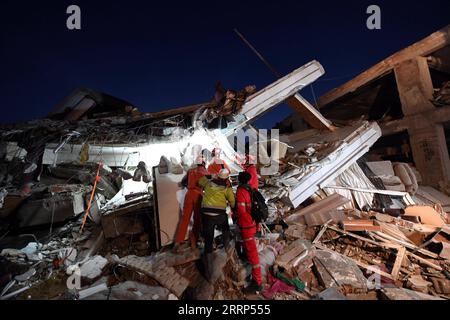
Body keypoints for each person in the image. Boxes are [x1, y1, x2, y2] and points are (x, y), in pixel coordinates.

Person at [198, 168, 235, 280]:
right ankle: (227, 247)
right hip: (219, 215)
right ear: (227, 178)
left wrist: (210, 176)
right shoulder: (226, 188)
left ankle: (209, 272)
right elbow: (232, 202)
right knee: (225, 227)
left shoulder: (208, 183)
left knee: (208, 240)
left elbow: (200, 182)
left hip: (206, 215)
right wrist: (231, 205)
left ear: (217, 176)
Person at [235, 171, 263, 293]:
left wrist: (237, 217)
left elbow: (241, 211)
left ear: (239, 180)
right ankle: (256, 278)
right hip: (253, 224)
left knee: (252, 253)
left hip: (247, 226)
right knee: (250, 251)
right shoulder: (251, 190)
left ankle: (257, 282)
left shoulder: (241, 191)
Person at [174, 156, 208, 249]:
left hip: (189, 195)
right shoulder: (205, 172)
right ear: (204, 163)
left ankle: (178, 241)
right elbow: (208, 187)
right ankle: (193, 242)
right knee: (197, 219)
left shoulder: (190, 171)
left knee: (185, 219)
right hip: (198, 195)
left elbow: (183, 182)